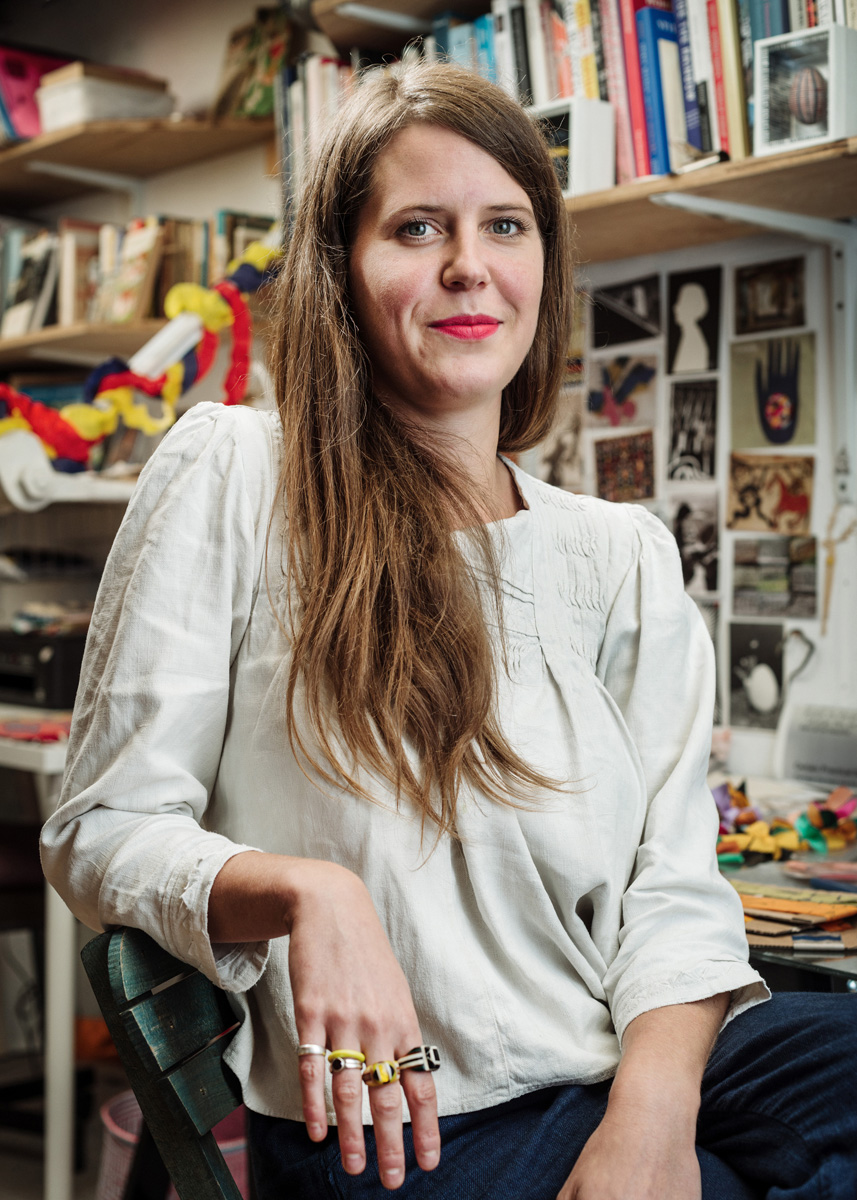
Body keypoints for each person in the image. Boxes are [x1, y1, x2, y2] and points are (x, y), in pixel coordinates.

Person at [42, 63, 856, 1200]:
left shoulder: (619, 552)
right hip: (415, 1111)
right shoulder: (236, 472)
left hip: (624, 1057)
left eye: (504, 225)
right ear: (342, 269)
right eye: (417, 226)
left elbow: (672, 888)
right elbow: (100, 828)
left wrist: (649, 1119)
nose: (468, 264)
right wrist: (305, 890)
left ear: (542, 267)